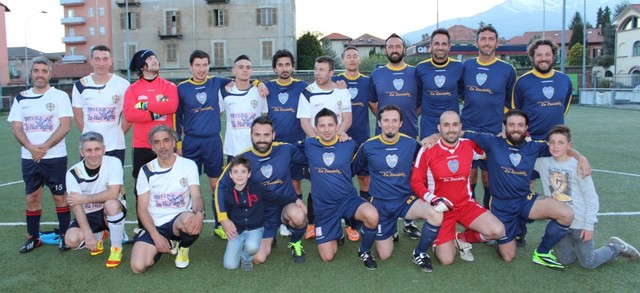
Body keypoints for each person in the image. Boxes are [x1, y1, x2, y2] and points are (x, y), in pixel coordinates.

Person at [460, 110, 588, 269]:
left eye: (520, 125)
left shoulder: (534, 146)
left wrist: (581, 158)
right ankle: (504, 233)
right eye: (512, 125)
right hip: (502, 206)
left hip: (525, 200)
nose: (516, 128)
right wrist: (433, 137)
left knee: (566, 213)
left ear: (526, 127)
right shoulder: (492, 142)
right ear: (505, 126)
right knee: (508, 256)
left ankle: (542, 252)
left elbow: (561, 148)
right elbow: (458, 132)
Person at [534, 125, 640, 268]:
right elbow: (521, 156)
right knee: (565, 260)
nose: (555, 146)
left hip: (580, 223)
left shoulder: (578, 166)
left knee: (589, 263)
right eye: (552, 142)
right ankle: (572, 247)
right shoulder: (543, 163)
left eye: (561, 142)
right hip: (560, 224)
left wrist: (588, 225)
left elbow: (591, 197)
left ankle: (615, 247)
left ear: (569, 145)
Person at [353, 104, 442, 272]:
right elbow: (356, 169)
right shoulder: (368, 146)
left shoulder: (411, 144)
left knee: (436, 214)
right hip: (381, 204)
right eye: (386, 120)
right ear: (379, 123)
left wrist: (434, 137)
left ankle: (420, 253)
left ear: (401, 123)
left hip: (406, 201)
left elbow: (427, 162)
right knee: (385, 254)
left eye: (395, 120)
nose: (390, 124)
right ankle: (374, 240)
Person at [411, 111, 505, 265]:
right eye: (446, 125)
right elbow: (416, 181)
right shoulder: (427, 150)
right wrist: (433, 199)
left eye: (455, 124)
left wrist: (505, 139)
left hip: (465, 205)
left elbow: (491, 152)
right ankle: (442, 239)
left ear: (460, 127)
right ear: (439, 128)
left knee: (498, 231)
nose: (451, 129)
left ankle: (460, 238)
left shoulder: (469, 145)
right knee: (446, 260)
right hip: (441, 211)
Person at [216, 116, 308, 264]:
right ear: (251, 135)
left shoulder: (286, 149)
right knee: (257, 259)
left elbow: (311, 153)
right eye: (257, 135)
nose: (262, 139)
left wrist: (336, 139)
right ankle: (269, 238)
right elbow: (221, 185)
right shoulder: (243, 158)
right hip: (261, 215)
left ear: (273, 135)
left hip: (285, 205)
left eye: (266, 135)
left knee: (298, 216)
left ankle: (295, 242)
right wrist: (223, 218)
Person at [512, 39, 573, 246]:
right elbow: (517, 112)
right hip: (529, 147)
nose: (543, 58)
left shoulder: (564, 80)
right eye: (539, 55)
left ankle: (558, 237)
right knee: (523, 188)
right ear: (533, 57)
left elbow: (563, 109)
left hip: (555, 148)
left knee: (559, 192)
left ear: (554, 56)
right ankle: (519, 232)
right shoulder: (523, 82)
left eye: (547, 54)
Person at [8, 56, 73, 253]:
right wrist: (31, 147)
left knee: (60, 197)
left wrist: (43, 147)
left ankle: (64, 236)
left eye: (44, 71)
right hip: (29, 157)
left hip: (54, 156)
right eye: (36, 71)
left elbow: (65, 126)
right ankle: (33, 237)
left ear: (50, 75)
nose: (40, 75)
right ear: (31, 73)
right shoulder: (21, 98)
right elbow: (17, 127)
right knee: (32, 198)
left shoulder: (60, 97)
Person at [302, 108, 378, 268]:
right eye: (322, 126)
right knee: (327, 256)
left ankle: (364, 250)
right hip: (324, 207)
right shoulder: (309, 145)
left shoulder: (349, 144)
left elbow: (366, 158)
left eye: (330, 125)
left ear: (338, 127)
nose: (327, 129)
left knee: (372, 215)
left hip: (347, 200)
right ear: (315, 128)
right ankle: (336, 229)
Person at [129, 125, 204, 274]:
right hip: (155, 224)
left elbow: (196, 196)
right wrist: (156, 236)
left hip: (179, 219)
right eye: (157, 142)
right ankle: (168, 243)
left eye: (166, 140)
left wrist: (200, 213)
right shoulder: (146, 171)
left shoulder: (188, 165)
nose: (162, 146)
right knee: (138, 267)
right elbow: (142, 210)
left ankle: (183, 247)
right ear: (152, 147)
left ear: (174, 142)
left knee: (191, 220)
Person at [369, 33, 422, 239]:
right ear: (385, 50)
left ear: (404, 49)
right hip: (383, 137)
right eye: (390, 46)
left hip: (408, 134)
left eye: (397, 46)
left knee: (410, 178)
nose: (394, 49)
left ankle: (408, 221)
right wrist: (387, 123)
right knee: (383, 177)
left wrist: (404, 120)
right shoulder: (377, 74)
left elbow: (420, 103)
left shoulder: (415, 73)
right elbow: (373, 103)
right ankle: (387, 222)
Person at [176, 50, 232, 240]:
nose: (201, 69)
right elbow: (177, 117)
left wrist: (258, 83)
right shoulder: (182, 88)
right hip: (190, 142)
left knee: (216, 184)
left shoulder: (217, 82)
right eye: (197, 65)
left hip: (213, 141)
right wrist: (178, 142)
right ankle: (186, 223)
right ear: (190, 66)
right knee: (187, 185)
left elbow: (242, 81)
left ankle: (219, 224)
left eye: (205, 65)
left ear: (209, 66)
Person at [459, 26, 516, 211]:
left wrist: (506, 128)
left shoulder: (507, 69)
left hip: (493, 132)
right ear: (477, 42)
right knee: (469, 175)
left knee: (489, 177)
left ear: (497, 43)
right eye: (483, 39)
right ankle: (471, 215)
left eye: (491, 39)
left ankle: (489, 213)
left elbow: (510, 102)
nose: (487, 42)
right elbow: (460, 93)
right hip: (468, 130)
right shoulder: (466, 66)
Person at [217, 156, 307, 271]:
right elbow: (228, 212)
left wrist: (295, 199)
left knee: (253, 247)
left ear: (249, 174)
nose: (239, 175)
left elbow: (275, 198)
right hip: (237, 231)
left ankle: (245, 257)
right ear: (230, 174)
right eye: (235, 172)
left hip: (255, 229)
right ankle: (240, 246)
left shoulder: (257, 187)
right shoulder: (228, 192)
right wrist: (228, 223)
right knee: (230, 265)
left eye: (243, 172)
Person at [296, 56, 352, 239]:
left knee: (341, 182)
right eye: (315, 69)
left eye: (321, 70)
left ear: (331, 72)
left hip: (338, 145)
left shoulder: (342, 91)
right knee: (315, 185)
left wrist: (334, 141)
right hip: (316, 147)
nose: (317, 73)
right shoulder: (307, 92)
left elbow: (347, 119)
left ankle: (350, 224)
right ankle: (312, 223)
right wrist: (318, 143)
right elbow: (305, 121)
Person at [123, 49, 179, 229]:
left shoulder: (169, 86)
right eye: (150, 59)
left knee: (171, 185)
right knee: (142, 187)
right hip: (142, 145)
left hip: (166, 144)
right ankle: (143, 227)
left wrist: (145, 106)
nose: (155, 61)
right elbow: (130, 114)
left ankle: (171, 225)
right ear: (142, 66)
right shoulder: (132, 89)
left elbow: (171, 105)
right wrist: (156, 113)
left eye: (155, 57)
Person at [64, 132, 127, 268]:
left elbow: (113, 193)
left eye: (97, 149)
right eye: (88, 150)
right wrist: (87, 235)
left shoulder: (113, 162)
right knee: (71, 240)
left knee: (111, 204)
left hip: (109, 209)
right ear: (81, 151)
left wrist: (84, 198)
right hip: (88, 214)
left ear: (103, 149)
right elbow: (77, 205)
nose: (93, 154)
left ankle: (116, 249)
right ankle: (98, 235)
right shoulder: (73, 173)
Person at [265, 49, 309, 236]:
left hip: (295, 145)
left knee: (295, 184)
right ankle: (277, 219)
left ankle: (292, 218)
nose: (284, 68)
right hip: (273, 146)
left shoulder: (303, 87)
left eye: (287, 64)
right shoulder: (267, 87)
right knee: (273, 183)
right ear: (275, 68)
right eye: (280, 65)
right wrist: (257, 82)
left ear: (293, 66)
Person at [72, 45, 131, 166]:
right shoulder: (80, 85)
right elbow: (78, 118)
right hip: (90, 147)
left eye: (105, 59)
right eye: (97, 59)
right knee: (90, 183)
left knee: (117, 183)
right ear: (91, 61)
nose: (101, 63)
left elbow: (128, 116)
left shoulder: (123, 84)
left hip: (115, 146)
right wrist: (91, 139)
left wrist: (117, 134)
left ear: (110, 61)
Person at [415, 28, 464, 139]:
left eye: (444, 44)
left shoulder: (459, 67)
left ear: (449, 46)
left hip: (452, 126)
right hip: (429, 126)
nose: (440, 47)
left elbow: (464, 93)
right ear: (431, 46)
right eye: (437, 44)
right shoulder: (421, 68)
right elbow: (418, 98)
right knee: (429, 156)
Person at [220, 55, 268, 160]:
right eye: (241, 67)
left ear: (251, 71)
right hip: (233, 150)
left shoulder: (259, 91)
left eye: (248, 67)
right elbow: (217, 113)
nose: (245, 70)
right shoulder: (224, 92)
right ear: (234, 71)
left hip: (255, 148)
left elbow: (265, 115)